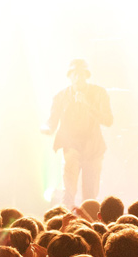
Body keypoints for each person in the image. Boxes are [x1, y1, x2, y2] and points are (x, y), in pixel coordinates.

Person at [42, 59, 113, 207]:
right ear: (70, 76)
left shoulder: (99, 93)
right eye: (75, 74)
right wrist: (48, 128)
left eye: (82, 74)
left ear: (87, 75)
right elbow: (52, 120)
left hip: (93, 148)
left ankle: (90, 224)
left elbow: (108, 120)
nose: (78, 78)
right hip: (71, 147)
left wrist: (88, 105)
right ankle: (66, 222)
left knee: (90, 193)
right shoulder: (60, 96)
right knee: (68, 191)